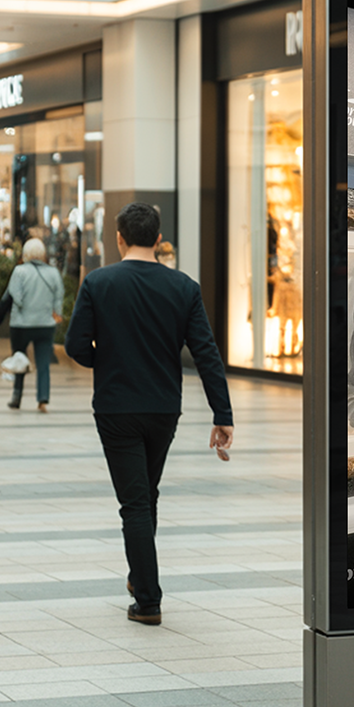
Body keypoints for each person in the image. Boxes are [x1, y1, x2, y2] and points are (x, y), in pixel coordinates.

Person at [65, 202, 234, 625]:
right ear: (158, 239)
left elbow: (75, 345)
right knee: (146, 494)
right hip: (163, 408)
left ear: (119, 238)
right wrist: (222, 413)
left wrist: (106, 362)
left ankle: (148, 599)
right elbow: (206, 353)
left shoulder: (99, 282)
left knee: (135, 503)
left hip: (116, 407)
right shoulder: (183, 287)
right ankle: (139, 575)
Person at [2, 238, 64, 412]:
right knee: (43, 363)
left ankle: (17, 396)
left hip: (21, 324)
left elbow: (15, 295)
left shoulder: (19, 271)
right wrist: (56, 314)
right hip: (45, 324)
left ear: (26, 254)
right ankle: (43, 398)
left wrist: (24, 305)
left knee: (19, 358)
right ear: (43, 254)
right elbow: (58, 297)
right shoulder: (53, 273)